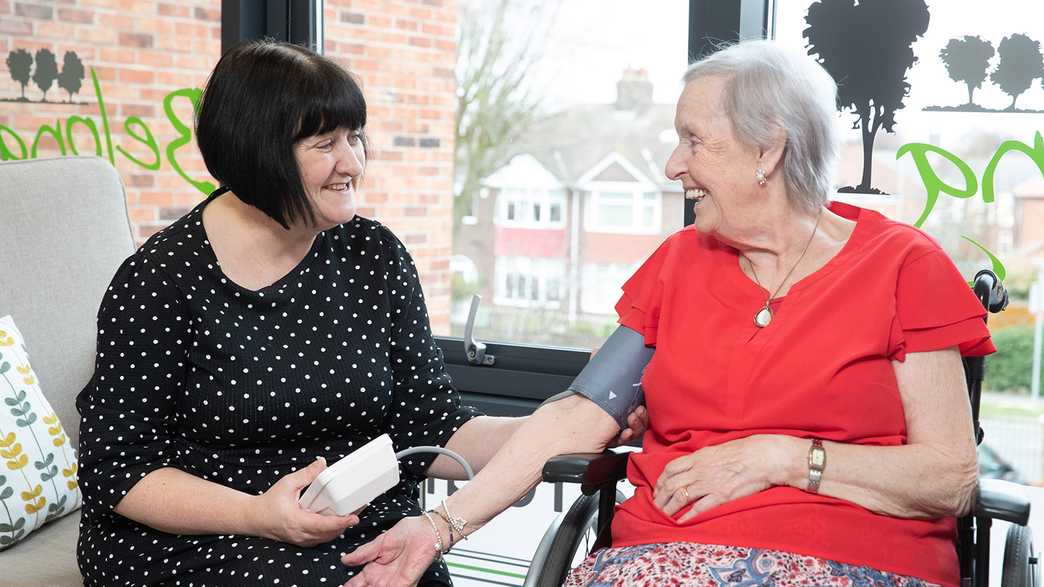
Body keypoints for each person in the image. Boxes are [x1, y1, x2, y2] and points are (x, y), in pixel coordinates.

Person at [342, 40, 992, 587]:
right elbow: (576, 415)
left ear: (768, 151)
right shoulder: (679, 263)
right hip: (662, 559)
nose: (672, 165)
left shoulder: (902, 265)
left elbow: (950, 476)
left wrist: (782, 457)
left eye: (694, 141)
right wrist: (439, 526)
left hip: (853, 561)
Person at [74, 39, 645, 586]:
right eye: (325, 145)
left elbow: (432, 427)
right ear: (256, 153)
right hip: (201, 537)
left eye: (356, 137)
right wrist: (258, 515)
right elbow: (118, 470)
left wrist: (568, 423)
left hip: (356, 524)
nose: (353, 163)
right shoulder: (162, 279)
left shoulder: (373, 256)